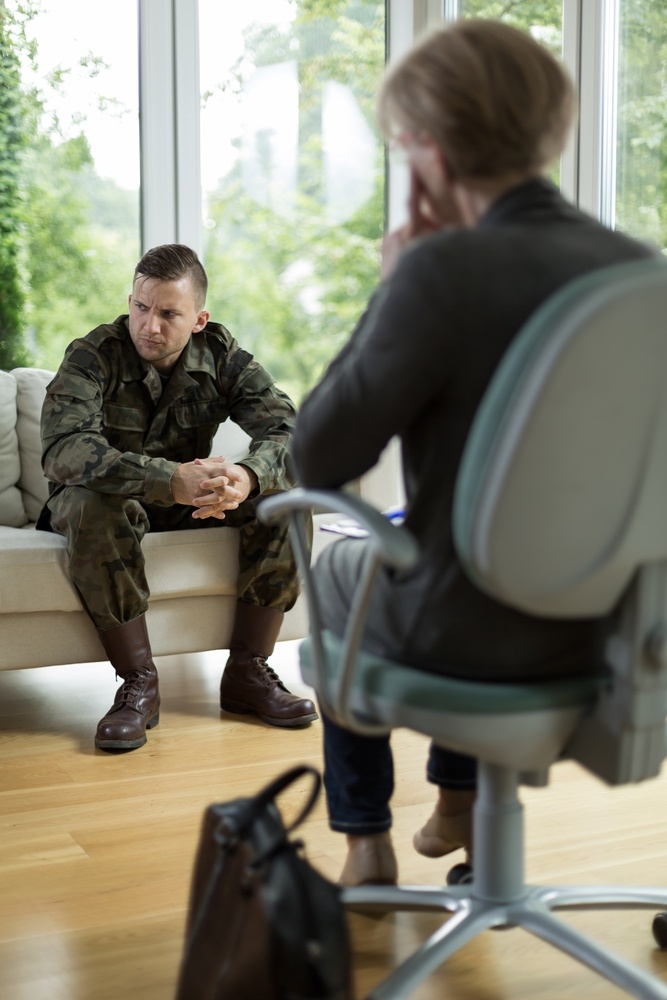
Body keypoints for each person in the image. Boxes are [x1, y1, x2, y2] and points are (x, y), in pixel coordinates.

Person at [290, 19, 658, 886]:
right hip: (621, 632)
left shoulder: (440, 271)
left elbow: (318, 456)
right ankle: (457, 804)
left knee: (344, 567)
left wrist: (390, 288)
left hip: (471, 637)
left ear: (426, 147)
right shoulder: (637, 269)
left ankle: (365, 843)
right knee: (423, 552)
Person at [38, 243, 317, 753]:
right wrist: (168, 479)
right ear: (130, 301)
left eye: (168, 313)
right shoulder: (92, 354)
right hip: (110, 503)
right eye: (141, 308)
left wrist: (247, 478)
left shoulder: (222, 354)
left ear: (199, 319)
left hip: (184, 507)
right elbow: (63, 451)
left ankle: (247, 673)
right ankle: (138, 685)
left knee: (286, 500)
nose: (149, 325)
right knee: (91, 503)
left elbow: (294, 433)